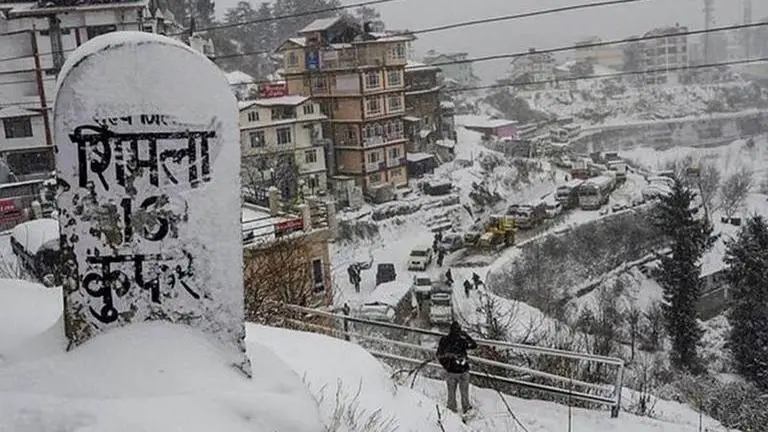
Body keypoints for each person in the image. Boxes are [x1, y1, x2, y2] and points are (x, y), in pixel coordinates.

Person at [436, 322, 478, 414]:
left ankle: (451, 411)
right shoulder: (462, 341)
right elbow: (474, 345)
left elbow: (439, 355)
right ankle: (466, 410)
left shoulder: (445, 340)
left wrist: (446, 365)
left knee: (451, 394)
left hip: (452, 371)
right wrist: (466, 336)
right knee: (464, 393)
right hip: (463, 370)